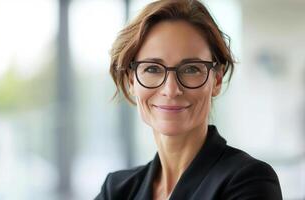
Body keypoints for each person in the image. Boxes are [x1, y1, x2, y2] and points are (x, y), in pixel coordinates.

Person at [96, 0, 282, 199]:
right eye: (152, 69)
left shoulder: (250, 181)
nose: (171, 89)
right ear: (131, 80)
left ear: (217, 80)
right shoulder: (117, 190)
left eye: (191, 69)